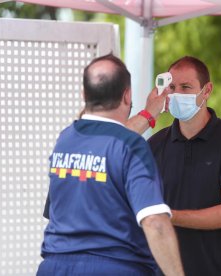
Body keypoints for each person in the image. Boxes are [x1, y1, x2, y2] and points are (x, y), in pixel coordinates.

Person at [37, 54, 184, 276]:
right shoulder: (132, 147)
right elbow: (155, 222)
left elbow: (109, 140)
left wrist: (148, 114)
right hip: (115, 267)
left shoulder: (65, 139)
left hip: (54, 267)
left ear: (84, 94)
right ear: (127, 95)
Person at [148, 56, 221, 276]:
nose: (177, 94)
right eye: (172, 87)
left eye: (186, 87)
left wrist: (170, 216)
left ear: (206, 91)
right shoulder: (155, 145)